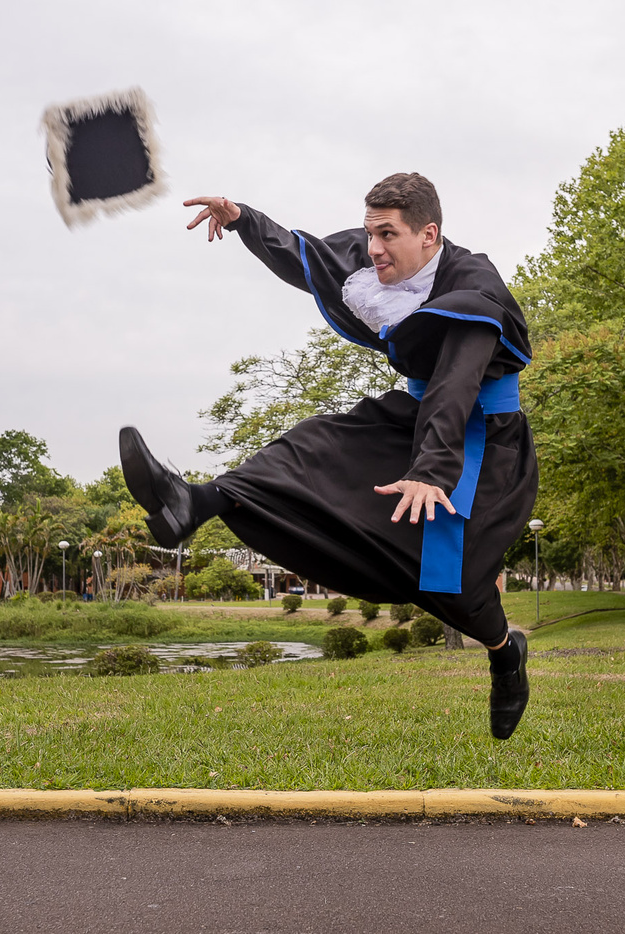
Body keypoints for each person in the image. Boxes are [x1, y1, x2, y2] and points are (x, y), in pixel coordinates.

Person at [119, 173, 539, 739]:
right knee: (314, 445)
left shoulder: (475, 286)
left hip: (482, 439)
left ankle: (505, 653)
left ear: (429, 235)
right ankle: (192, 503)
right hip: (414, 416)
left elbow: (456, 384)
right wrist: (243, 219)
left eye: (387, 235)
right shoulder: (374, 261)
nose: (374, 249)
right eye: (370, 234)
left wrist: (430, 471)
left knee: (453, 585)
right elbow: (308, 256)